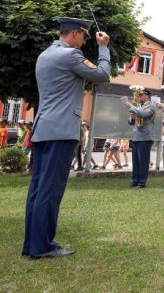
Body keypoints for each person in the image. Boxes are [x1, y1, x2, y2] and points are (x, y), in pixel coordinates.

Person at [22, 17, 111, 259]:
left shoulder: (45, 55)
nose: (85, 41)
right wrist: (103, 47)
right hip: (61, 130)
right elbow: (102, 74)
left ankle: (31, 244)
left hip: (43, 130)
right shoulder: (70, 56)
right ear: (73, 34)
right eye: (84, 36)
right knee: (50, 190)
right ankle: (42, 247)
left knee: (38, 189)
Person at [124, 88, 155, 188]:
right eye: (139, 94)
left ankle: (142, 182)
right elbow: (130, 122)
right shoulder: (139, 106)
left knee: (143, 161)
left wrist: (131, 106)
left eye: (141, 94)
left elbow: (143, 114)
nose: (139, 96)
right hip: (136, 136)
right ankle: (135, 180)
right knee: (135, 161)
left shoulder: (151, 105)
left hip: (145, 137)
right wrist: (132, 117)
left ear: (147, 96)